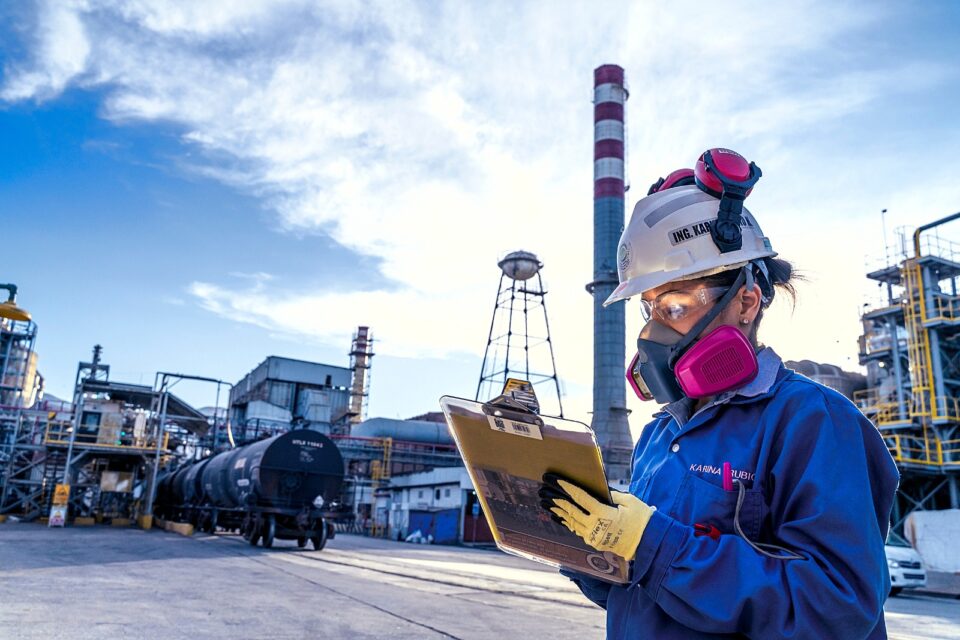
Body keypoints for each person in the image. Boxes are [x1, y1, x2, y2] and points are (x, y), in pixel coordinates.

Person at [539, 149, 900, 639]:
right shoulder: (661, 432)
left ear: (746, 301)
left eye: (675, 305)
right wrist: (586, 548)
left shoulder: (812, 422)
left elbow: (838, 608)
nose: (652, 332)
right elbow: (644, 589)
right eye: (649, 308)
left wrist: (652, 546)